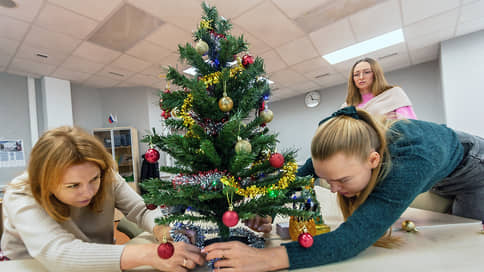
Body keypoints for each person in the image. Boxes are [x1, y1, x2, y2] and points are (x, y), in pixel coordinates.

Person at [202, 106, 484, 271]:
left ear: (373, 160)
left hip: (474, 169)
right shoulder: (341, 153)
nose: (333, 190)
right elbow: (297, 181)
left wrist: (267, 258)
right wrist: (267, 211)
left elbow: (353, 238)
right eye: (328, 180)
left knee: (469, 237)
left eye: (343, 181)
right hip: (438, 172)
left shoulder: (412, 162)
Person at [1, 126, 204, 271]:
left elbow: (141, 210)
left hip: (98, 263)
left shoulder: (107, 176)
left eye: (94, 179)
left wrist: (162, 229)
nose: (88, 192)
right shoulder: (21, 193)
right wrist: (151, 254)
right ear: (45, 181)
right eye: (73, 186)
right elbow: (59, 254)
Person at [344, 57, 417, 120]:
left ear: (376, 74)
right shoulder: (347, 106)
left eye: (367, 72)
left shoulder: (394, 94)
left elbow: (408, 124)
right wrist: (379, 120)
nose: (361, 77)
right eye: (356, 74)